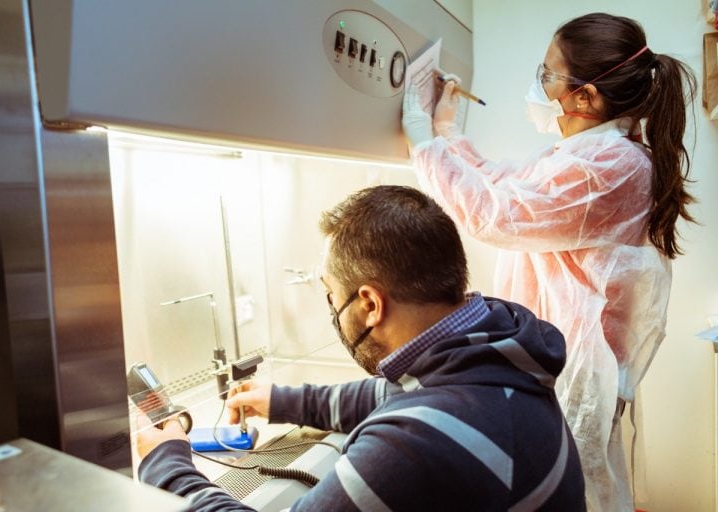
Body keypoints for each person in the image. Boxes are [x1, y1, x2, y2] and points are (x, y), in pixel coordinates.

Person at [400, 12, 697, 512]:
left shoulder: (609, 167)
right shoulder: (586, 153)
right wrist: (445, 134)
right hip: (561, 359)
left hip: (578, 368)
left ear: (585, 97)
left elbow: (498, 214)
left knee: (576, 496)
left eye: (547, 75)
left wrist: (425, 143)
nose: (538, 85)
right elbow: (505, 184)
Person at [135, 185, 586, 511]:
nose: (332, 307)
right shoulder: (497, 352)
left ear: (369, 303)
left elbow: (411, 420)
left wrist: (167, 461)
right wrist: (282, 401)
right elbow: (389, 394)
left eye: (331, 295)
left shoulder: (421, 439)